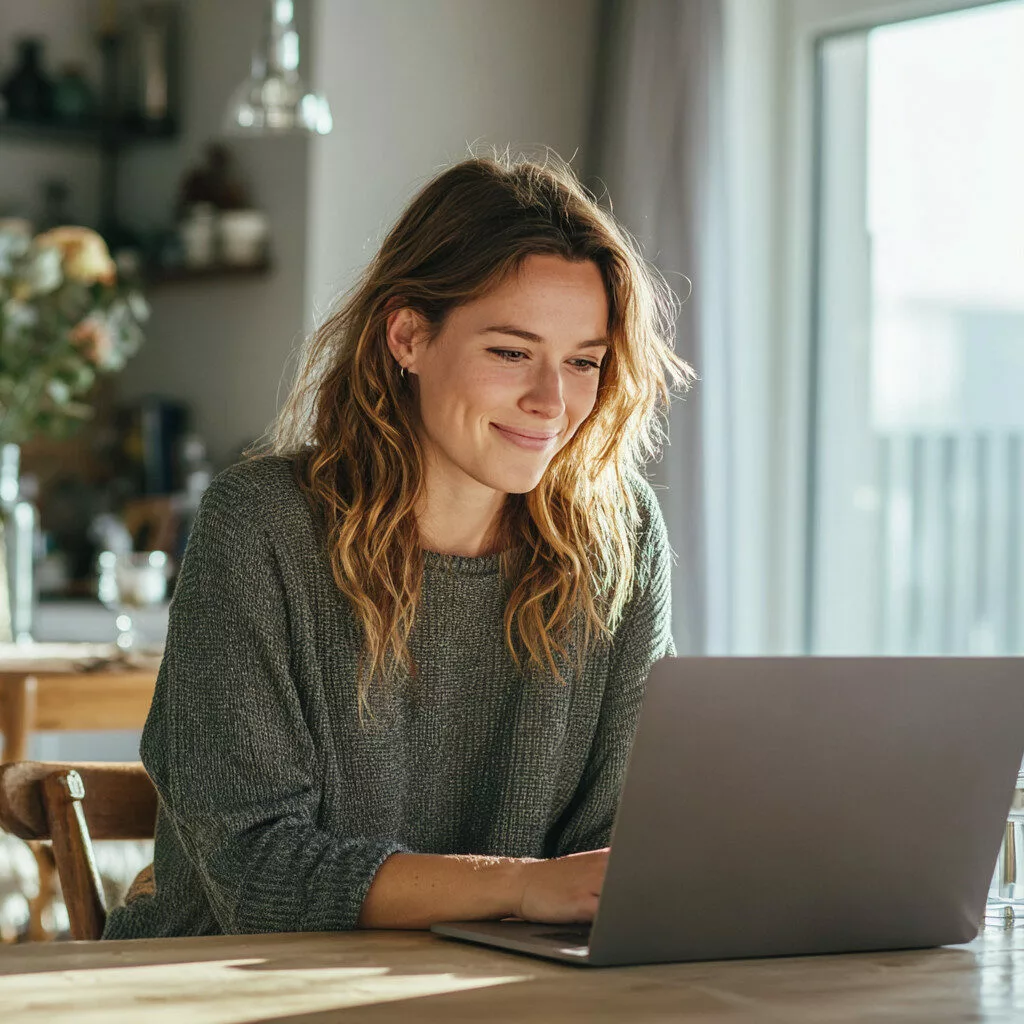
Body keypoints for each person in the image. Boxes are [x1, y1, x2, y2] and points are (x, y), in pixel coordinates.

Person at [102, 151, 693, 939]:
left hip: (500, 982)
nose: (552, 401)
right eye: (511, 352)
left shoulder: (621, 536)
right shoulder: (261, 525)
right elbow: (256, 872)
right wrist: (522, 887)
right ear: (408, 335)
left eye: (583, 361)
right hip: (233, 980)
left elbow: (622, 839)